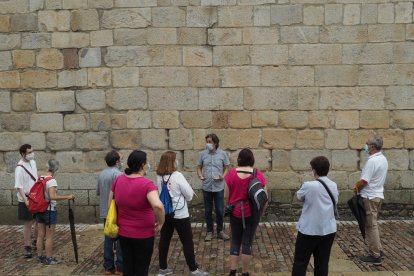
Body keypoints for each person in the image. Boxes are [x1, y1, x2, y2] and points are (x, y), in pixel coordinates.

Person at [109, 150, 165, 276]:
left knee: (128, 266)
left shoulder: (118, 180)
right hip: (143, 235)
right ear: (142, 165)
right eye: (147, 162)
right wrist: (161, 223)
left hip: (124, 233)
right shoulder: (147, 185)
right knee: (141, 268)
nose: (148, 165)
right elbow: (158, 206)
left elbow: (110, 204)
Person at [156, 151, 210, 276]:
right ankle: (193, 269)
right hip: (180, 213)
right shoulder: (177, 175)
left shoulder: (159, 176)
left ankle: (162, 268)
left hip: (166, 213)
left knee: (164, 239)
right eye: (175, 160)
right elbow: (189, 196)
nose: (177, 162)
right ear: (172, 162)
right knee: (187, 241)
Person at [292, 156, 338, 276]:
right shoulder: (333, 185)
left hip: (309, 230)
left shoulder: (309, 185)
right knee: (322, 263)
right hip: (328, 230)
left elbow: (298, 197)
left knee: (300, 262)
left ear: (314, 170)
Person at [224, 148, 267, 276]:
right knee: (247, 242)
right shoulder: (258, 174)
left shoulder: (231, 173)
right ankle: (245, 273)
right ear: (252, 159)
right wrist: (261, 213)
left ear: (239, 159)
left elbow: (226, 196)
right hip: (252, 213)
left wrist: (230, 207)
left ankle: (232, 271)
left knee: (235, 241)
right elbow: (265, 197)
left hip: (235, 211)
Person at [354, 135, 388, 265]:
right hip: (378, 195)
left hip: (369, 196)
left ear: (373, 146)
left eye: (367, 143)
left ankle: (375, 255)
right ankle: (378, 249)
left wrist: (356, 187)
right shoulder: (383, 159)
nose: (365, 145)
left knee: (371, 226)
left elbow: (364, 181)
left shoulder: (372, 161)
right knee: (373, 224)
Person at [36, 159, 75, 265]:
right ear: (56, 169)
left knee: (40, 235)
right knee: (49, 236)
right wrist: (68, 197)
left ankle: (39, 257)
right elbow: (53, 196)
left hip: (39, 209)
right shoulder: (52, 181)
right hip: (49, 211)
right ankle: (49, 258)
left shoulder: (40, 177)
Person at [197, 134, 230, 241]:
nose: (208, 144)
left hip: (218, 187)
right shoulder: (202, 154)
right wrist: (200, 175)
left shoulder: (222, 154)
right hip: (206, 186)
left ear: (215, 143)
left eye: (210, 142)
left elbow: (226, 168)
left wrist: (223, 176)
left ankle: (220, 231)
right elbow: (199, 167)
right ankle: (209, 232)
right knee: (207, 210)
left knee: (220, 210)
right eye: (207, 141)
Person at [97, 150, 124, 275]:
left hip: (104, 211)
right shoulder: (118, 175)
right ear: (117, 162)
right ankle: (120, 267)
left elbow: (99, 192)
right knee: (119, 240)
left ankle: (108, 267)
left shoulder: (101, 174)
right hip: (116, 211)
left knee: (108, 238)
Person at [15, 144, 38, 258]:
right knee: (28, 223)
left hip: (36, 197)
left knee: (38, 220)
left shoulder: (33, 163)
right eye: (29, 152)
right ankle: (27, 247)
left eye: (32, 151)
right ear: (23, 154)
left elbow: (35, 178)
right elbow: (19, 187)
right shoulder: (19, 168)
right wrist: (25, 200)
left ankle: (35, 241)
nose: (31, 154)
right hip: (26, 198)